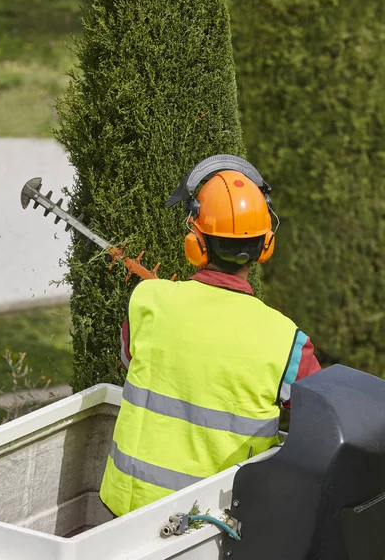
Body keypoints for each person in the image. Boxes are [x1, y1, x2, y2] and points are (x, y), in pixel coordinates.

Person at [100, 154, 321, 517]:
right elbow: (322, 416)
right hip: (213, 526)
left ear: (196, 242)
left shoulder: (149, 300)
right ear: (266, 246)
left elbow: (130, 361)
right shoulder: (287, 341)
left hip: (125, 511)